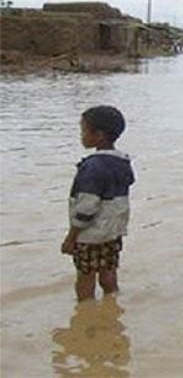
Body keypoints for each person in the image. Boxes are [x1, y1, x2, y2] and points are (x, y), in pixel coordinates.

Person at [61, 106, 135, 301]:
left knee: (85, 276)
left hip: (90, 235)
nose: (81, 136)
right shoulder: (123, 162)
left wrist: (71, 237)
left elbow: (87, 207)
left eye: (84, 131)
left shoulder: (92, 167)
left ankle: (85, 309)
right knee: (108, 271)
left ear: (99, 135)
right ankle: (112, 302)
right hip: (113, 231)